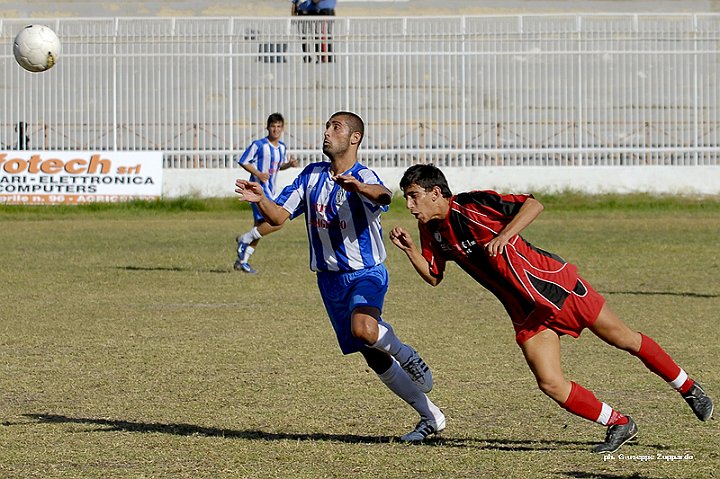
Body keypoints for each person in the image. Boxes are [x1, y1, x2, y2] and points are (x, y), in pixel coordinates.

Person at [389, 163, 714, 453]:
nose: (410, 205)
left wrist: (505, 235)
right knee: (551, 383)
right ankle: (619, 423)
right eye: (406, 197)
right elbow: (434, 276)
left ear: (436, 192)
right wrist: (410, 251)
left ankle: (688, 387)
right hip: (527, 314)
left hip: (558, 288)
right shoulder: (430, 229)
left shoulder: (473, 204)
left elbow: (534, 204)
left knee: (625, 339)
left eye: (414, 196)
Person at [235, 112, 445, 442]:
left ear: (354, 139)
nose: (327, 132)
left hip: (366, 273)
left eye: (336, 128)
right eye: (327, 126)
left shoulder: (363, 176)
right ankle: (430, 415)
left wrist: (359, 187)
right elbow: (278, 215)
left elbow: (384, 196)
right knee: (371, 352)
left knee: (364, 329)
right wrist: (261, 198)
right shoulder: (310, 176)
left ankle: (406, 355)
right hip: (329, 281)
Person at [235, 113, 298, 273]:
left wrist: (288, 165)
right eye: (273, 126)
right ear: (267, 127)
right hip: (258, 191)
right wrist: (258, 173)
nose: (275, 130)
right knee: (277, 222)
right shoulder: (259, 145)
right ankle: (244, 239)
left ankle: (242, 261)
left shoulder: (281, 147)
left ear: (282, 128)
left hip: (270, 190)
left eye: (278, 127)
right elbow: (243, 160)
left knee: (260, 228)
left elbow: (278, 166)